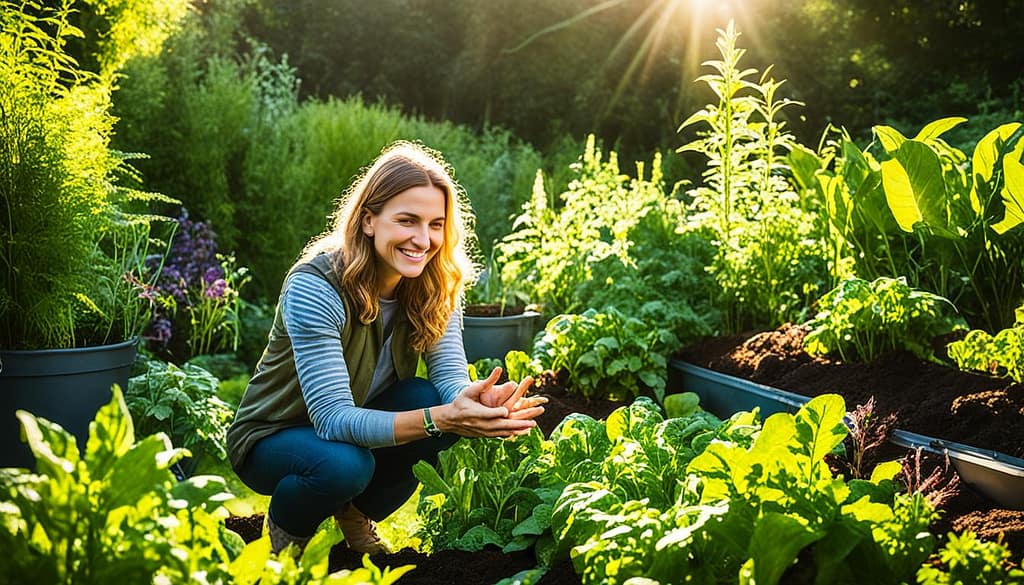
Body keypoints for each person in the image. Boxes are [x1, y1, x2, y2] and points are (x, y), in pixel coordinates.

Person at [226, 142, 547, 556]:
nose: (423, 239)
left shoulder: (438, 283)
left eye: (436, 224)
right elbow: (332, 420)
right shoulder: (316, 286)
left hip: (353, 422)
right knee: (345, 464)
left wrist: (475, 402)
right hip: (273, 435)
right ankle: (282, 544)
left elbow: (448, 378)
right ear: (368, 220)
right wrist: (442, 418)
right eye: (407, 221)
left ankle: (354, 515)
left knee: (426, 398)